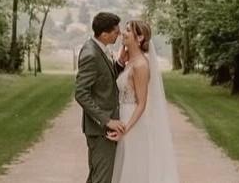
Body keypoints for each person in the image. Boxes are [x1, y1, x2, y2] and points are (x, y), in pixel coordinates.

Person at [110, 18, 179, 183]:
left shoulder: (141, 65)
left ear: (139, 38)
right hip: (122, 116)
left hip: (131, 122)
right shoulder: (129, 62)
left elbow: (142, 103)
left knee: (132, 170)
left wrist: (125, 128)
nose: (123, 33)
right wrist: (120, 61)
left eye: (128, 30)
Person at [74, 12, 126, 183]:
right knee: (102, 178)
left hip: (102, 129)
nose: (119, 35)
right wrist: (106, 120)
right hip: (101, 130)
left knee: (97, 177)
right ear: (104, 34)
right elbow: (81, 93)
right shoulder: (91, 54)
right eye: (115, 32)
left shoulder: (99, 49)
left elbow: (105, 81)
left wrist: (119, 64)